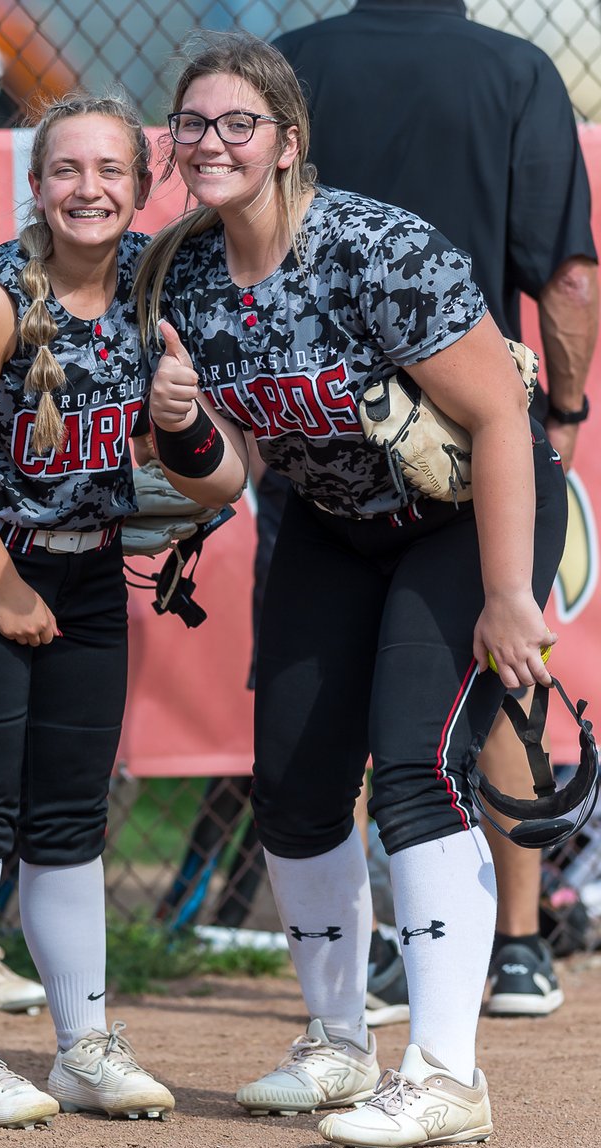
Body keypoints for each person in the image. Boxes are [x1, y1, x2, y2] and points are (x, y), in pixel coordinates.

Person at [134, 31, 567, 1148]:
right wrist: (184, 426)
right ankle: (337, 1043)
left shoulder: (371, 246)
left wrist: (509, 594)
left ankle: (444, 1073)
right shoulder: (179, 268)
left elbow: (496, 420)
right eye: (193, 124)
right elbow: (230, 473)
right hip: (332, 522)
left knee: (416, 766)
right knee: (289, 777)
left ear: (287, 142)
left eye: (240, 123)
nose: (213, 141)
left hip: (464, 516)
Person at [274, 0, 598, 1019]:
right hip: (467, 426)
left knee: (334, 689)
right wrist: (562, 415)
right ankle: (513, 942)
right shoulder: (510, 69)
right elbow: (567, 274)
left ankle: (383, 949)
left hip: (319, 429)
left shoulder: (290, 63)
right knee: (490, 669)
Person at [0, 92, 174, 1130]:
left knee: (67, 818)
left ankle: (81, 1045)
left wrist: (188, 447)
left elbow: (201, 463)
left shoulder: (157, 286)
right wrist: (3, 586)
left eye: (110, 171)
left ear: (141, 187)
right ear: (36, 186)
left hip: (89, 573)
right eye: (66, 171)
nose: (87, 189)